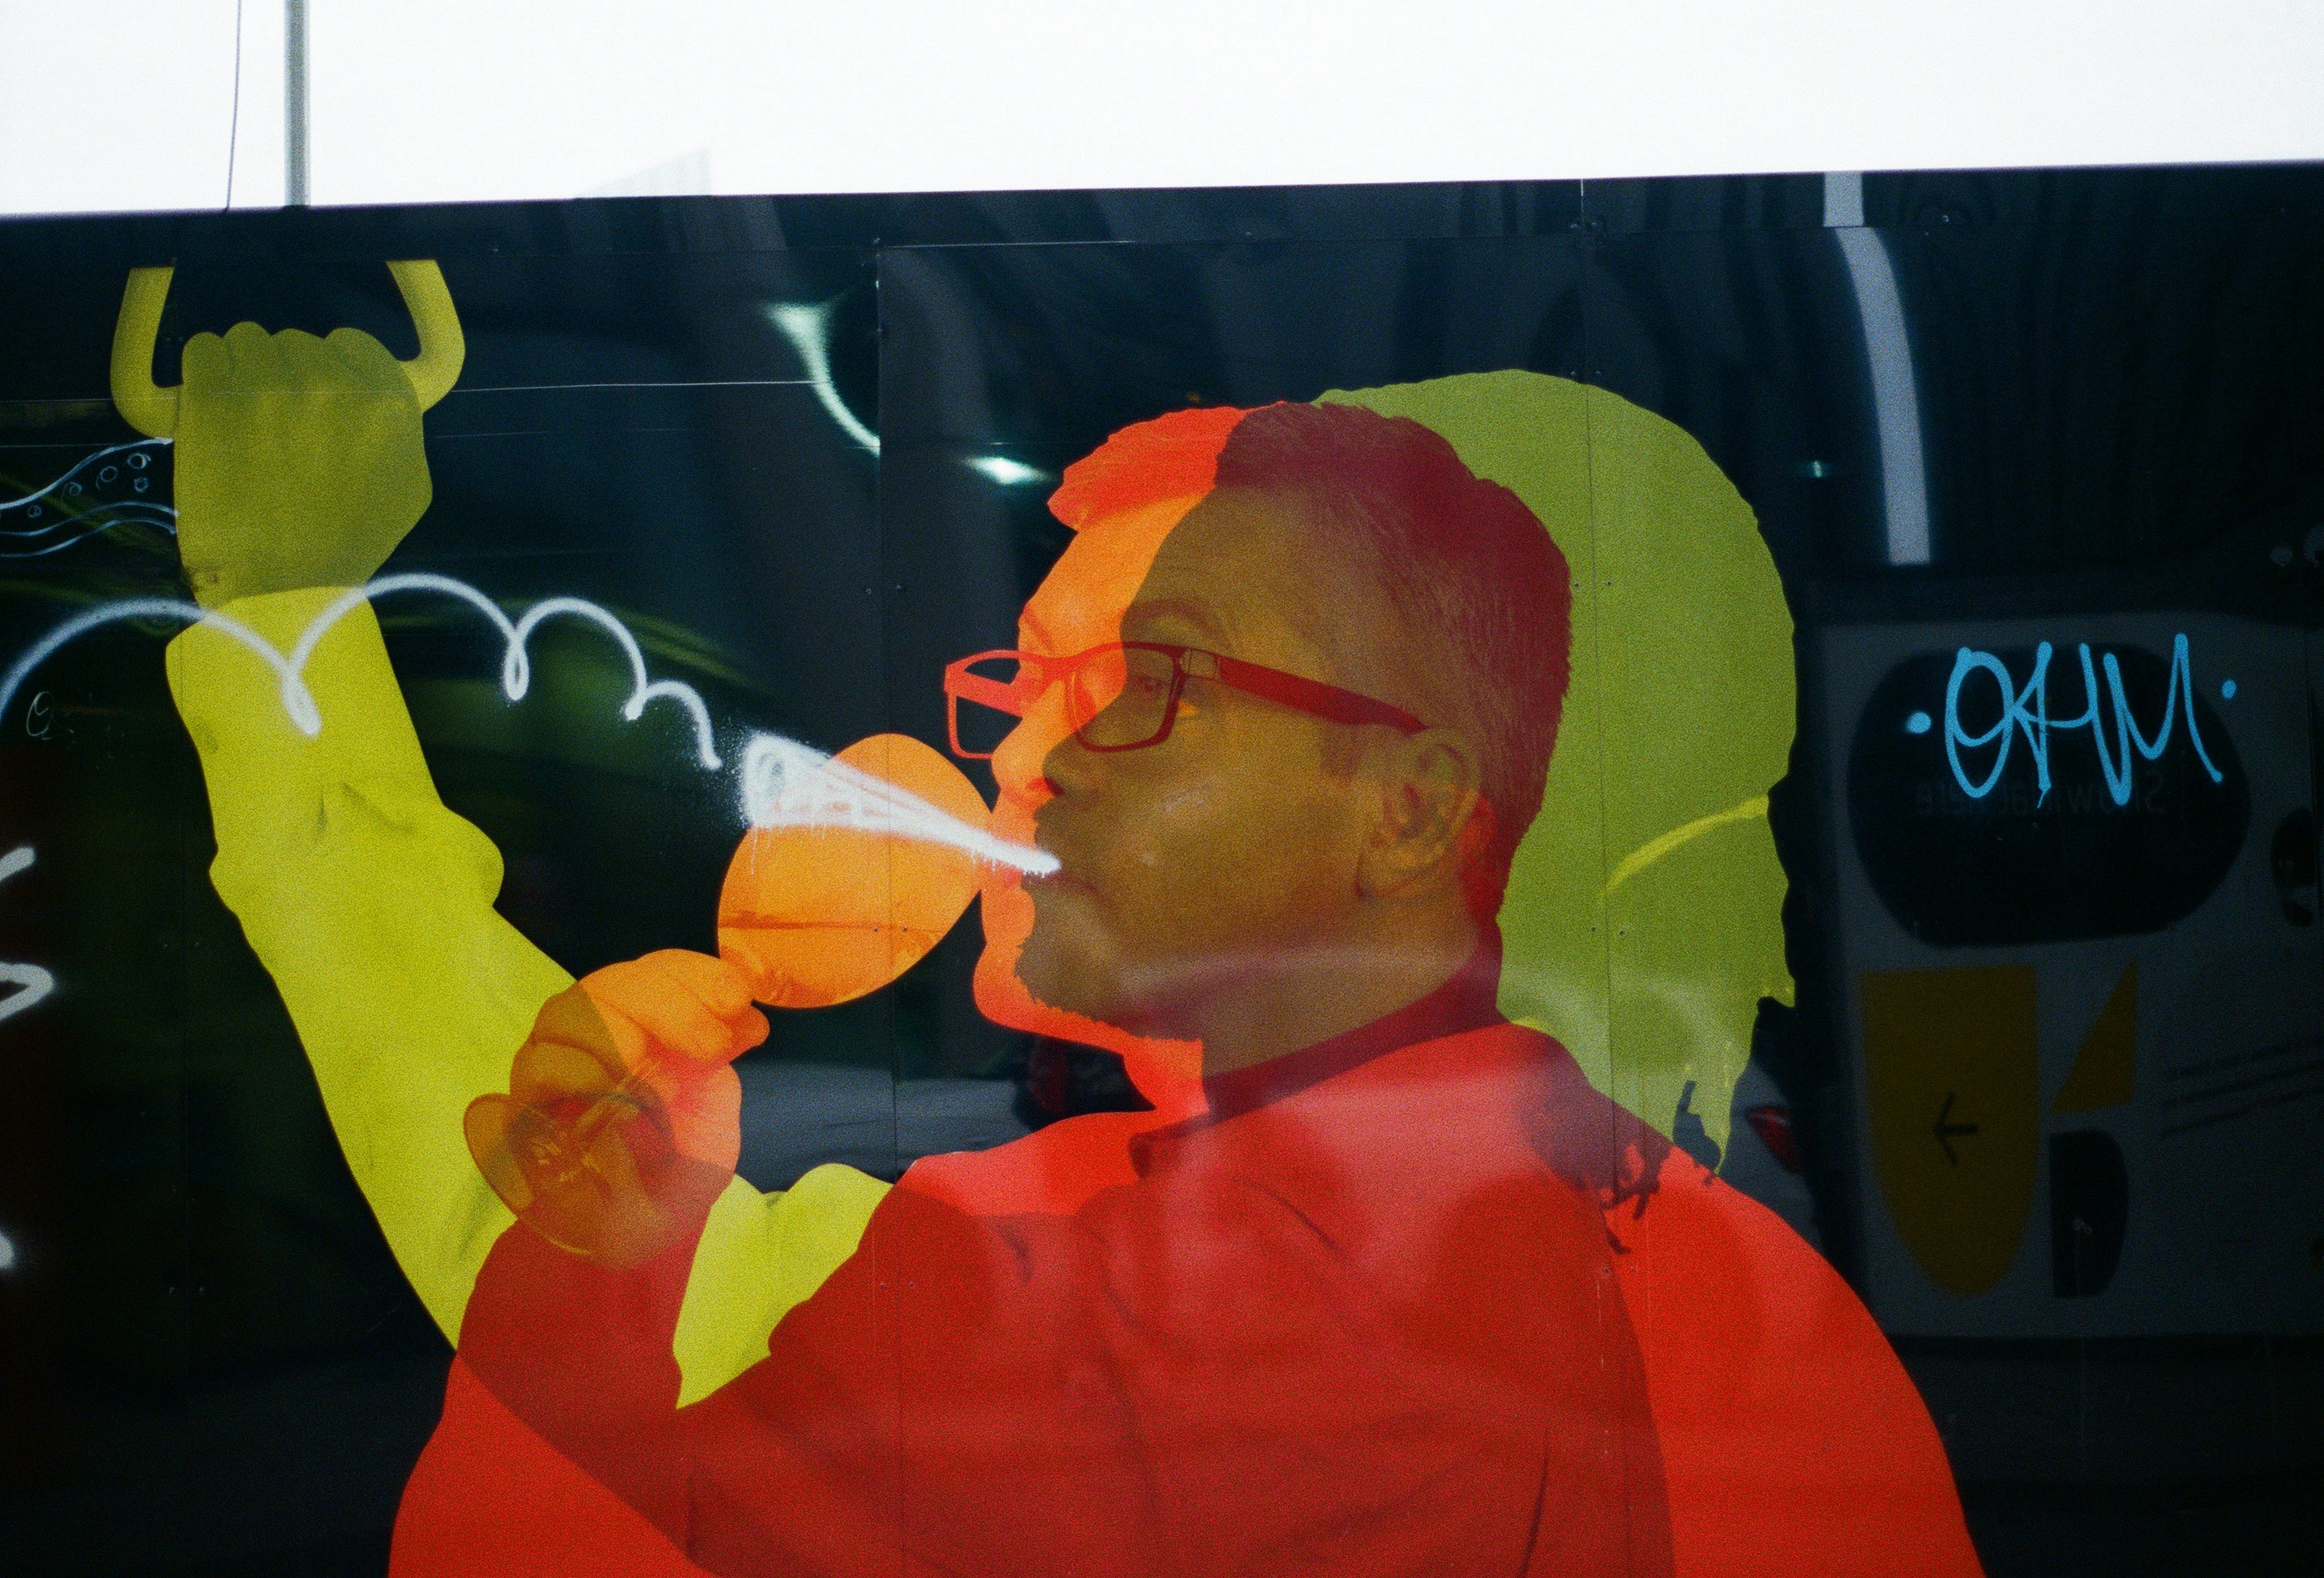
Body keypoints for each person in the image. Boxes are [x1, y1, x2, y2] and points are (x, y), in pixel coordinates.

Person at [454, 400, 1675, 1574]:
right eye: (1032, 689)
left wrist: (591, 1229)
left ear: (1404, 812)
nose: (1026, 759)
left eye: (1151, 684)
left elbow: (659, 1508)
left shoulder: (1240, 1302)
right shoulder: (1503, 1190)